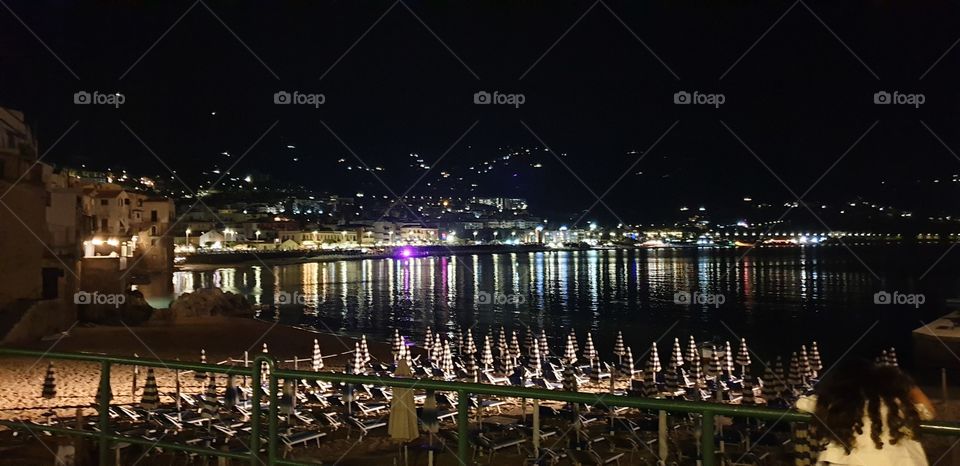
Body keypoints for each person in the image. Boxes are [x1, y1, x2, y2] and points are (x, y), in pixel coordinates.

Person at [795, 359, 935, 465]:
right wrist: (904, 382)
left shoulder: (834, 402)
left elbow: (800, 403)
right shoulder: (893, 403)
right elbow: (928, 412)